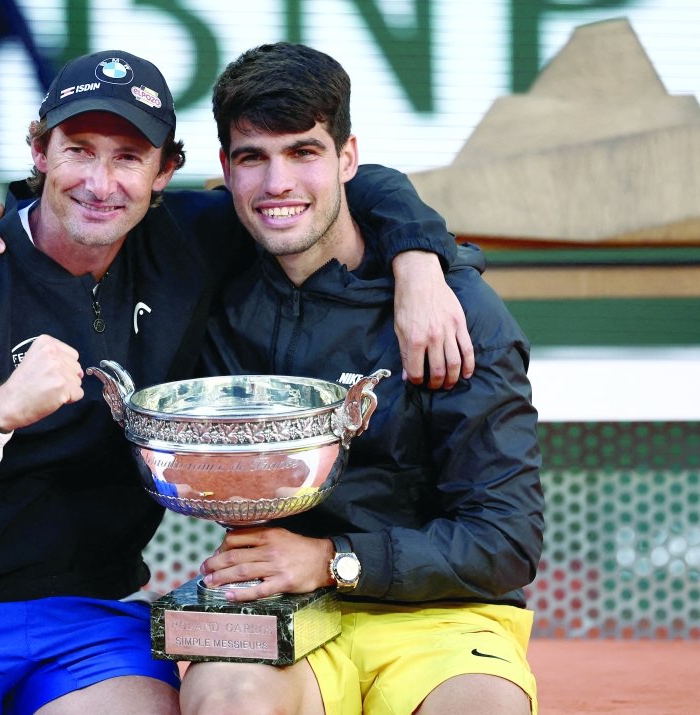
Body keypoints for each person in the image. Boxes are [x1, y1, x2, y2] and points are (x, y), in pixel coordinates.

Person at [0, 50, 467, 714]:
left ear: (165, 172)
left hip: (92, 617)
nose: (101, 183)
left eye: (129, 157)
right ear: (40, 151)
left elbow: (335, 184)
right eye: (79, 150)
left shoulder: (187, 240)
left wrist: (419, 259)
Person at [177, 44, 543, 715]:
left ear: (347, 159)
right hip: (275, 601)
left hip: (441, 613)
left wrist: (331, 559)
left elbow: (506, 540)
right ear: (225, 168)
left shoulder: (454, 313)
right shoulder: (205, 270)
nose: (277, 182)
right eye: (253, 156)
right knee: (231, 701)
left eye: (304, 152)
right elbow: (89, 204)